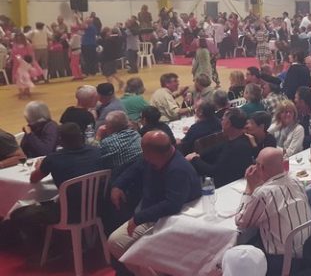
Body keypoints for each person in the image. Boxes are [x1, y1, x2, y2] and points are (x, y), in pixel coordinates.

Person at [107, 131, 202, 275]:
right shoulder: (154, 159)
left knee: (117, 242)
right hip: (152, 213)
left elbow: (172, 205)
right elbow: (134, 169)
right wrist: (118, 185)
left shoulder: (178, 170)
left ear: (150, 153)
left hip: (170, 220)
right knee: (118, 244)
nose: (143, 155)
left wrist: (138, 218)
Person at [235, 147, 311, 275]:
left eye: (256, 163)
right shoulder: (296, 181)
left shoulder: (264, 193)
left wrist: (249, 188)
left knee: (240, 249)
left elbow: (241, 222)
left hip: (280, 261)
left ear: (261, 168)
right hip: (306, 251)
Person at [23, 123, 102, 225]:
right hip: (98, 206)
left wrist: (39, 165)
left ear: (60, 140)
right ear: (81, 136)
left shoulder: (53, 159)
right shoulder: (97, 152)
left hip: (69, 213)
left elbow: (33, 179)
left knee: (20, 214)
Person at [187, 108, 253, 188]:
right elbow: (215, 149)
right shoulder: (236, 139)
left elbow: (215, 172)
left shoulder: (237, 147)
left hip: (227, 185)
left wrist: (194, 159)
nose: (221, 122)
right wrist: (198, 155)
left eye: (222, 120)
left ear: (228, 123)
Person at [94, 111, 142, 176]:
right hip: (138, 175)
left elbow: (93, 155)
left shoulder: (108, 143)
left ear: (109, 127)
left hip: (117, 178)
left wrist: (98, 136)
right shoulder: (136, 134)